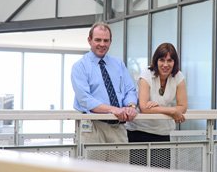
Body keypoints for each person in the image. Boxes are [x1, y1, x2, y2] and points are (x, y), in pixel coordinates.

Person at [71, 22, 138, 162]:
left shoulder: (118, 64)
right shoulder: (79, 67)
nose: (102, 44)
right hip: (93, 128)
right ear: (89, 41)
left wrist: (131, 106)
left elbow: (130, 90)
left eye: (106, 40)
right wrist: (114, 109)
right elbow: (85, 100)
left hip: (118, 127)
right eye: (98, 40)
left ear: (110, 42)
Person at [126, 42, 187, 168]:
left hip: (162, 132)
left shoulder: (178, 76)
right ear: (156, 61)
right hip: (139, 131)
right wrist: (172, 111)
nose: (165, 64)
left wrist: (158, 107)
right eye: (162, 60)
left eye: (170, 60)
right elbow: (143, 108)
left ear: (175, 62)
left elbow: (183, 106)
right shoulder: (146, 75)